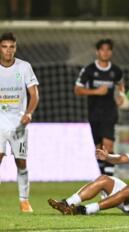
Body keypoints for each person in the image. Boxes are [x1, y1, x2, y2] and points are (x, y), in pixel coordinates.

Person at [0, 32, 39, 212]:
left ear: (15, 48)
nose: (8, 51)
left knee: (21, 162)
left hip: (19, 124)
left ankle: (24, 200)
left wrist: (29, 113)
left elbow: (34, 94)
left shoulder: (24, 67)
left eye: (12, 47)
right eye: (4, 47)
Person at [74, 38, 125, 176]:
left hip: (110, 112)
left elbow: (120, 85)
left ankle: (109, 181)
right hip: (94, 113)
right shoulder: (89, 70)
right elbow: (77, 90)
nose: (105, 52)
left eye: (108, 49)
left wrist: (120, 95)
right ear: (97, 52)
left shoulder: (116, 71)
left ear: (111, 52)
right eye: (102, 49)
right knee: (99, 149)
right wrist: (95, 91)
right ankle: (104, 177)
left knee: (108, 146)